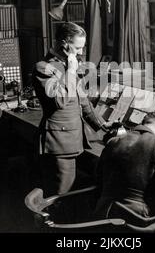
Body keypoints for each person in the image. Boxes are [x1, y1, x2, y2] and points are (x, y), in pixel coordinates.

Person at [32, 22, 111, 197]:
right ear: (64, 45)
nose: (81, 52)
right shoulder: (44, 68)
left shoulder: (68, 67)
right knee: (62, 194)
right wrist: (73, 70)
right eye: (77, 48)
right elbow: (59, 100)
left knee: (84, 183)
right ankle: (55, 223)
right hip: (60, 142)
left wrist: (102, 124)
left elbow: (82, 100)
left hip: (76, 138)